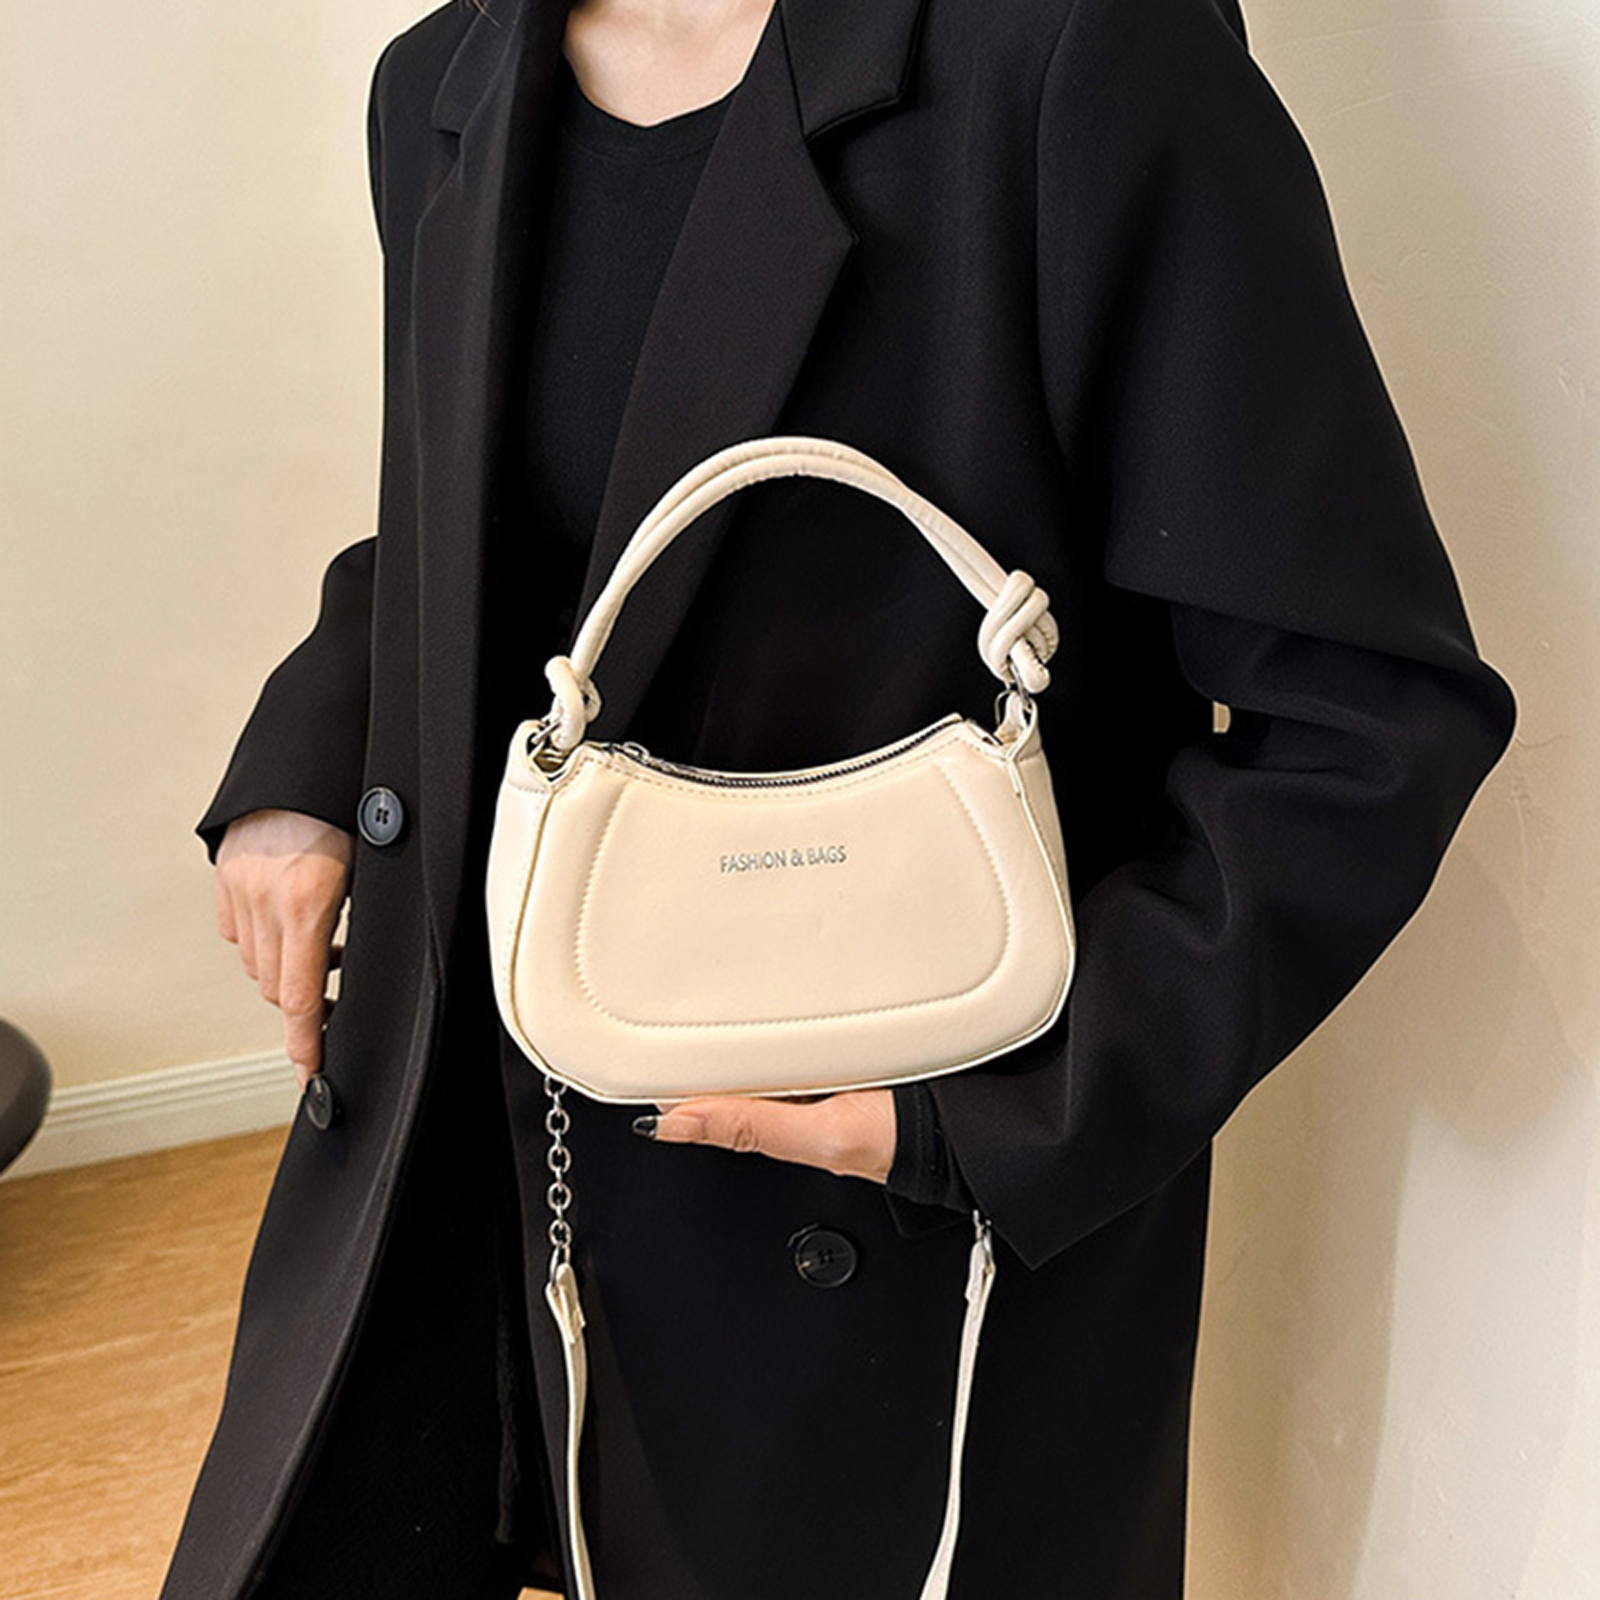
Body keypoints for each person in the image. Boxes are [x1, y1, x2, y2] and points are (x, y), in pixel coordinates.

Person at [163, 1, 1518, 1597]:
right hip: (498, 1136)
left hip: (877, 1231)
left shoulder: (1075, 53)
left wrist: (999, 1119)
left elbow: (1363, 720)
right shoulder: (442, 82)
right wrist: (321, 747)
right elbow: (514, 517)